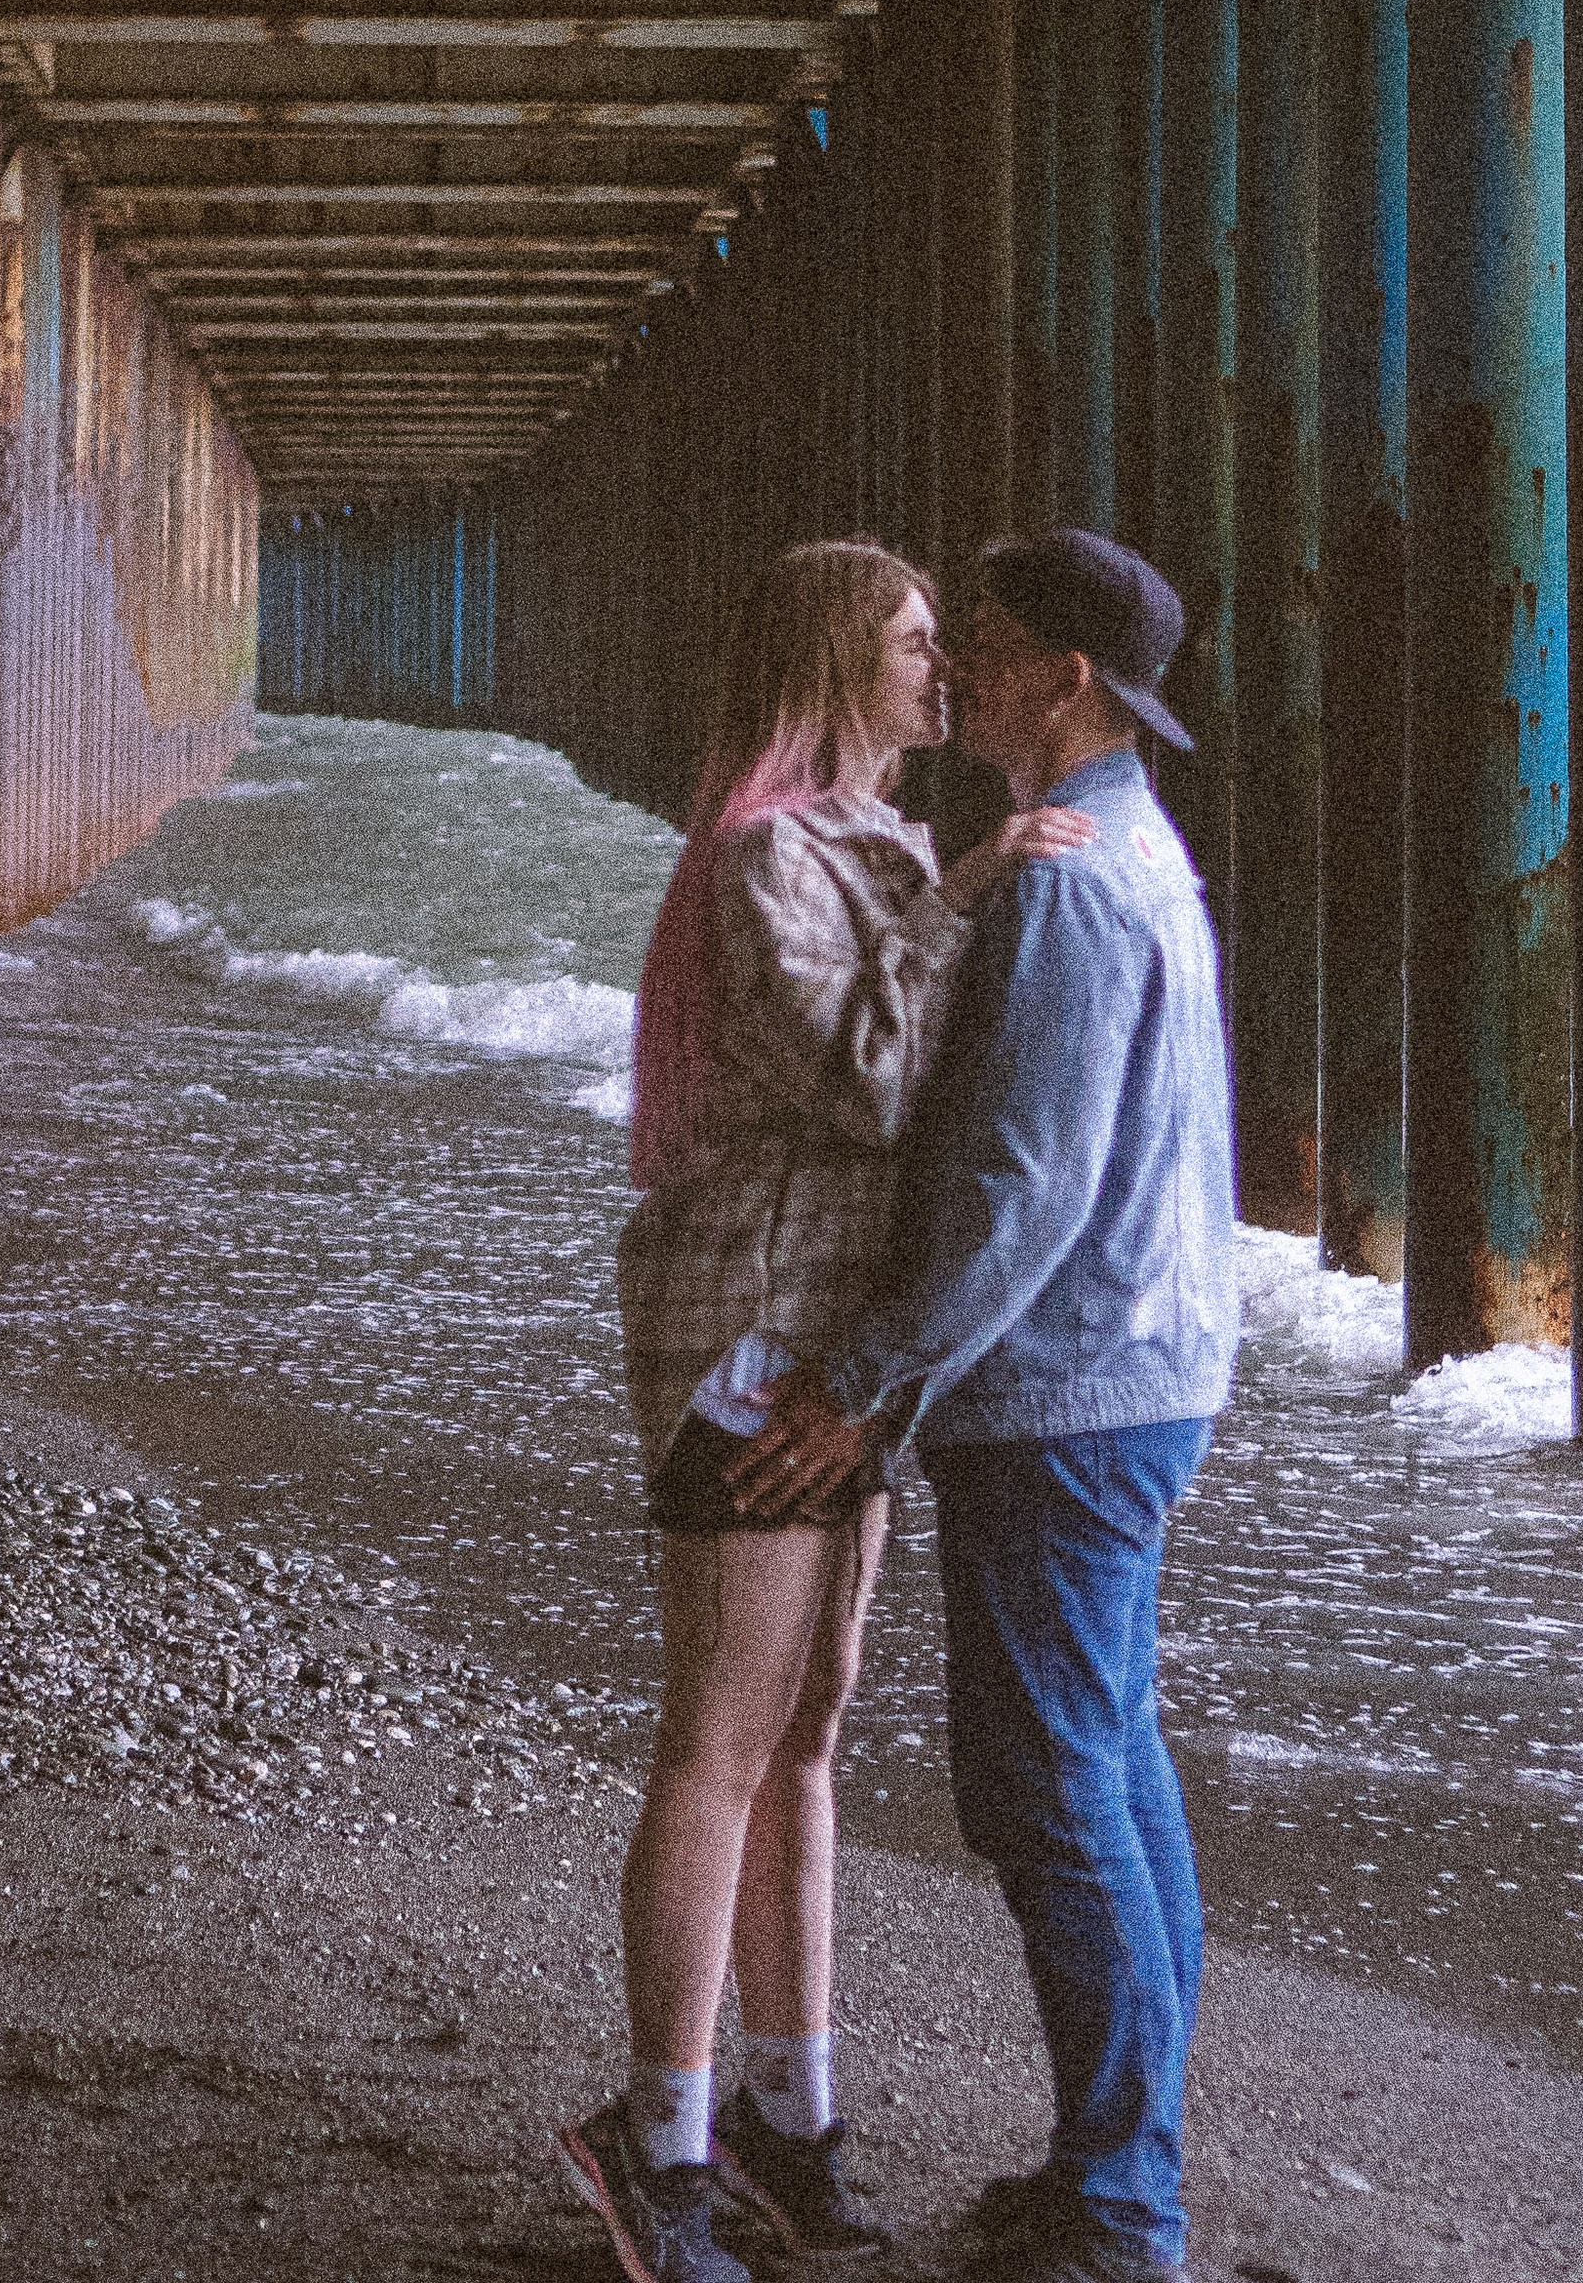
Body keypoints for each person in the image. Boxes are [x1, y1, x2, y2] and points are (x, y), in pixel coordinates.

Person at [558, 538, 1096, 2283]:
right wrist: (970, 895)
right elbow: (868, 1090)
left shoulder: (875, 839)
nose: (948, 669)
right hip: (749, 1346)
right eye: (919, 642)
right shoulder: (765, 850)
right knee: (720, 1741)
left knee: (808, 1738)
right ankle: (658, 2147)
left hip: (844, 1352)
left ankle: (795, 2119)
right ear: (836, 662)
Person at [735, 528, 1241, 2283]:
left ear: (1069, 680)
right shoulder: (1134, 854)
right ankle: (1124, 2167)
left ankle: (1123, 2209)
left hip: (1070, 1393)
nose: (957, 670)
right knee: (1109, 1764)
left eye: (991, 639)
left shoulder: (1066, 884)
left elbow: (1020, 1192)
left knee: (1046, 1790)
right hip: (1146, 1368)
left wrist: (864, 1380)